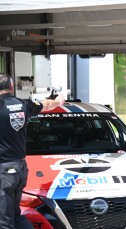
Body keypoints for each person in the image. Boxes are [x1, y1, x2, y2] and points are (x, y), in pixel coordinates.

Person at [0, 73, 65, 229]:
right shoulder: (24, 104)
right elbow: (47, 105)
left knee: (4, 221)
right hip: (20, 168)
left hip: (4, 171)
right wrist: (59, 100)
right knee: (15, 215)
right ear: (11, 87)